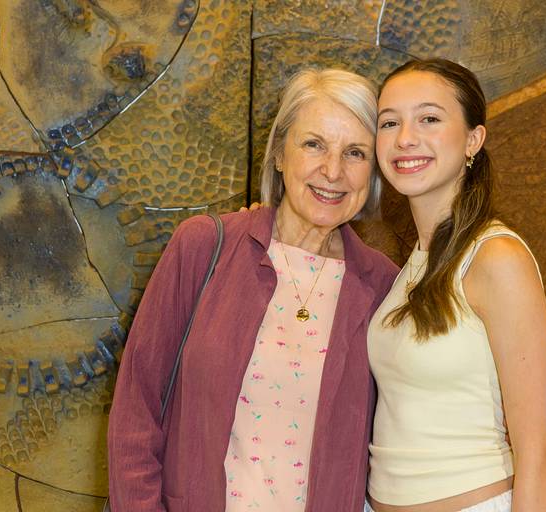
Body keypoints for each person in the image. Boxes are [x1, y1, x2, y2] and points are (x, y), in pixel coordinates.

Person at [107, 68, 399, 512]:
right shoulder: (203, 247)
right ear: (280, 153)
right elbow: (136, 411)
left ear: (373, 172)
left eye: (355, 153)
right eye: (313, 144)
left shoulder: (384, 287)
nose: (332, 170)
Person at [365, 58, 546, 512]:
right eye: (389, 122)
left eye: (429, 119)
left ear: (473, 139)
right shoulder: (413, 264)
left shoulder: (497, 258)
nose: (405, 138)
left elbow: (539, 454)